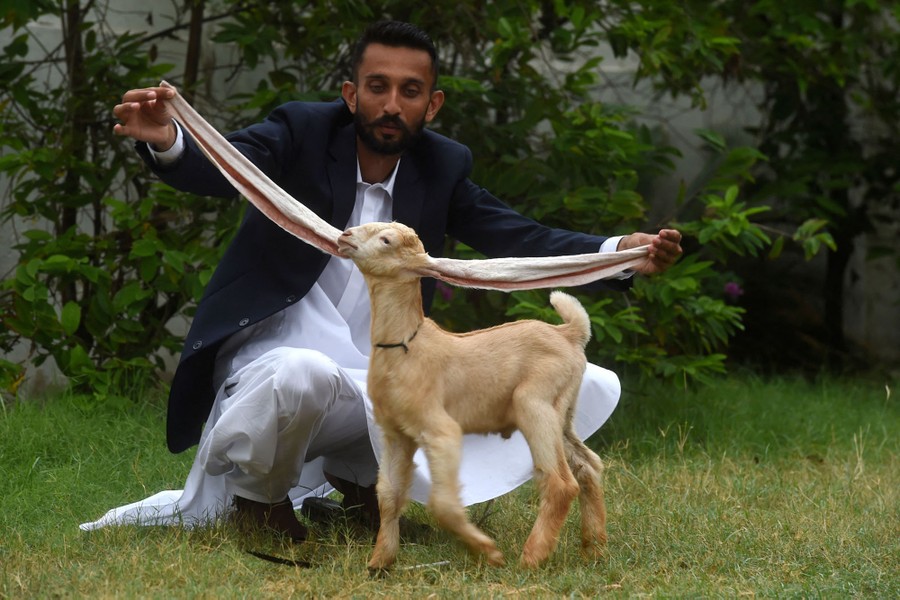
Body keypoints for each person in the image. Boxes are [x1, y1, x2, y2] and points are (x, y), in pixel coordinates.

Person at [82, 20, 682, 541]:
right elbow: (230, 167)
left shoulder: (442, 166)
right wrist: (169, 140)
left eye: (410, 91)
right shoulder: (300, 132)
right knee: (301, 374)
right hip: (272, 356)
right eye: (378, 87)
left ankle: (358, 482)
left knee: (494, 382)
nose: (392, 104)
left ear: (433, 104)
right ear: (351, 94)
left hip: (378, 372)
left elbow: (516, 238)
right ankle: (258, 503)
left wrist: (616, 254)